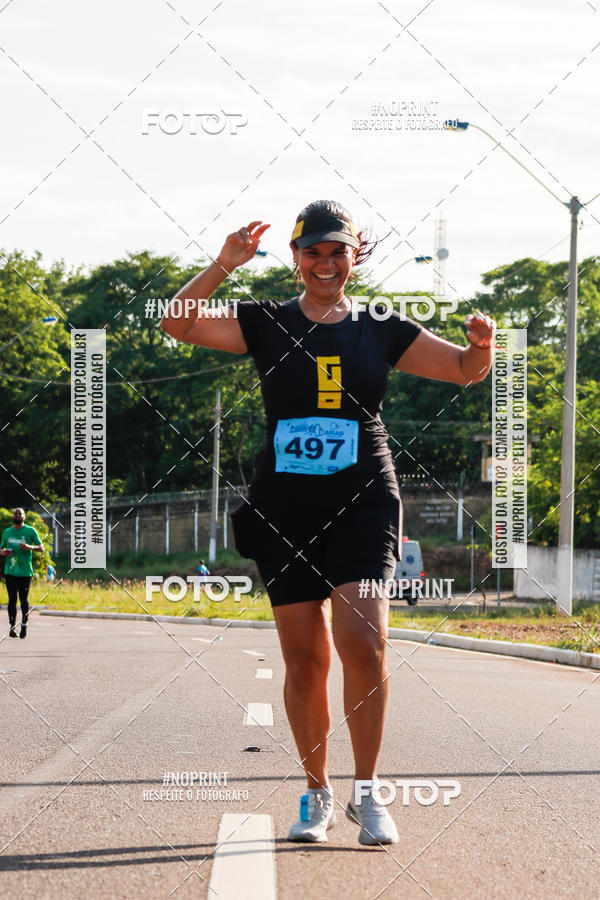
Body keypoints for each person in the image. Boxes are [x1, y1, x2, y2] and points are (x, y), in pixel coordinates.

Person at [161, 200, 495, 846]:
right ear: (294, 259)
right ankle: (317, 792)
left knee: (365, 642)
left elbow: (462, 370)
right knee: (306, 660)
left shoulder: (379, 325)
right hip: (285, 507)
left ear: (354, 256)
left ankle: (367, 796)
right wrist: (222, 266)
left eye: (336, 250)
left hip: (364, 499)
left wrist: (482, 348)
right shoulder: (265, 323)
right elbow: (179, 324)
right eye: (312, 251)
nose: (324, 262)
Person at [1, 508, 44, 639]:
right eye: (16, 514)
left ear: (24, 517)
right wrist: (4, 552)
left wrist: (29, 547)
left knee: (23, 600)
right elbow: (1, 548)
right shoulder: (7, 532)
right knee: (12, 600)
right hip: (11, 571)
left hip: (25, 572)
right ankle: (12, 626)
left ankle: (24, 624)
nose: (18, 516)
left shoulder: (30, 531)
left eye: (20, 514)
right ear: (13, 517)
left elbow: (41, 548)